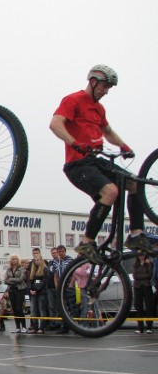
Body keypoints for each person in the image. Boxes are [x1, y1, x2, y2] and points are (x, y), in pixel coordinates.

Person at [50, 65, 156, 264]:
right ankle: (87, 241)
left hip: (96, 161)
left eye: (108, 88)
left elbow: (107, 131)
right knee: (111, 191)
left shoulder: (99, 108)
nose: (106, 92)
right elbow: (55, 123)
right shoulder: (73, 99)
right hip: (78, 164)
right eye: (104, 87)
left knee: (133, 183)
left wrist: (123, 145)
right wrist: (74, 142)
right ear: (93, 81)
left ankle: (136, 234)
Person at [52, 245, 74, 334]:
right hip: (60, 286)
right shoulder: (56, 262)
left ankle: (74, 325)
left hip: (68, 285)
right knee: (61, 307)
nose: (60, 253)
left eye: (62, 251)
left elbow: (74, 273)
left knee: (71, 306)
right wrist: (57, 286)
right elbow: (55, 275)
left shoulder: (70, 260)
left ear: (65, 251)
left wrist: (70, 284)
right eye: (59, 252)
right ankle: (64, 326)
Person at [4, 254, 27, 333]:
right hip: (11, 290)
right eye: (13, 259)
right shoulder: (9, 269)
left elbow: (20, 279)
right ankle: (17, 327)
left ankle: (24, 326)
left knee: (19, 308)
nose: (14, 260)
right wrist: (12, 280)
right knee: (14, 309)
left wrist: (11, 279)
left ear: (18, 260)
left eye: (15, 259)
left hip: (19, 289)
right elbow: (5, 280)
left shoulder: (21, 268)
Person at [133, 254, 154, 334]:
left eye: (142, 255)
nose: (141, 256)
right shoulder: (136, 264)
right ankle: (140, 327)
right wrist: (144, 275)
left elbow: (150, 274)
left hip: (146, 286)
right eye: (139, 255)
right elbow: (135, 276)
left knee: (149, 306)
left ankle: (149, 327)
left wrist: (148, 265)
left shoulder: (149, 263)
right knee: (139, 307)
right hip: (137, 287)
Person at [29, 255, 51, 333]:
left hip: (42, 293)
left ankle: (41, 328)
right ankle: (35, 327)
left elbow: (44, 282)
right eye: (35, 260)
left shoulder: (45, 269)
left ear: (41, 260)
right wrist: (31, 289)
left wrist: (37, 290)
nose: (37, 261)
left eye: (38, 260)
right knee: (33, 311)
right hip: (33, 293)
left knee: (42, 310)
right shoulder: (33, 270)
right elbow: (31, 281)